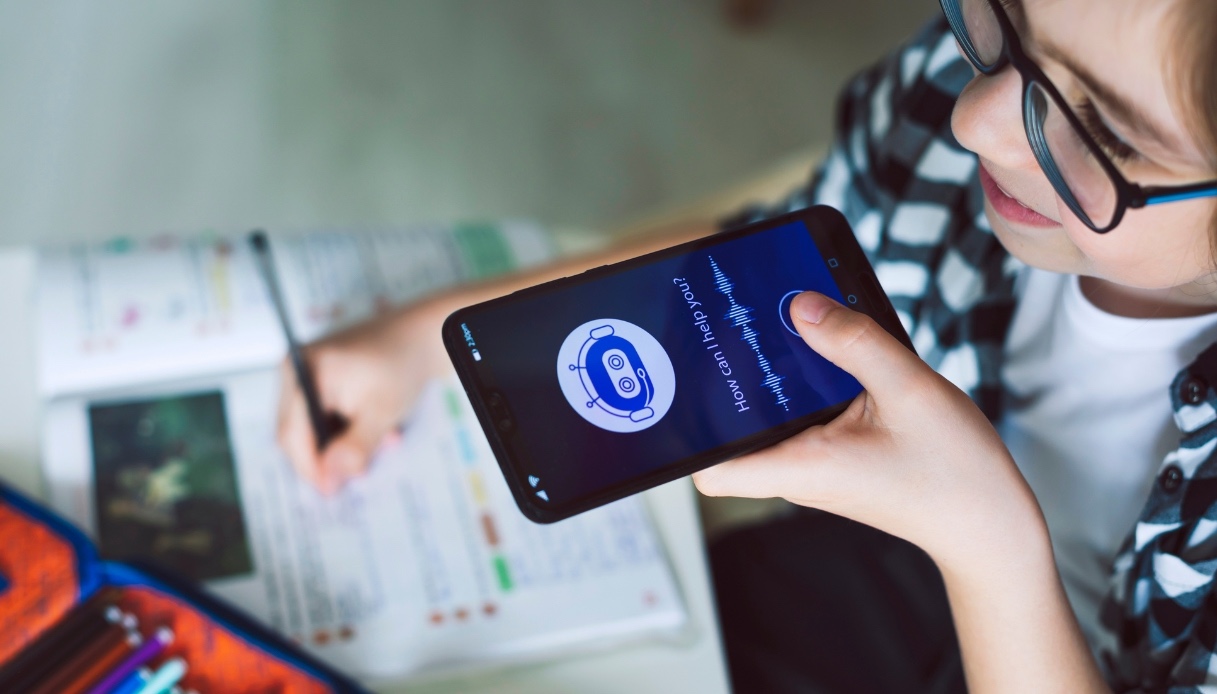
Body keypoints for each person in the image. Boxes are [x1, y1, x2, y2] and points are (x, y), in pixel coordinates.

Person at [276, 0, 1217, 690]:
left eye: (1103, 131)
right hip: (887, 568)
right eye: (1006, 22)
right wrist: (425, 338)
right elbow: (752, 259)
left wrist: (989, 547)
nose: (975, 120)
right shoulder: (961, 89)